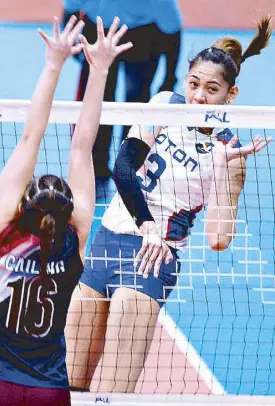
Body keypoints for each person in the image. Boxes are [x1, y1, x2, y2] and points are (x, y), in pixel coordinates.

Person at [65, 17, 272, 393]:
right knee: (67, 388)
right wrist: (146, 224)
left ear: (231, 95)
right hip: (108, 243)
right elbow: (123, 170)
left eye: (212, 89)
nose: (198, 97)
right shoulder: (164, 105)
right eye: (194, 84)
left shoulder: (230, 151)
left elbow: (218, 238)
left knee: (109, 398)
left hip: (152, 261)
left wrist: (226, 175)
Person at [0, 14, 132, 406]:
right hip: (49, 390)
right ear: (69, 211)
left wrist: (54, 64)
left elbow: (30, 136)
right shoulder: (75, 238)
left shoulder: (6, 232)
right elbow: (84, 144)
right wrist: (100, 70)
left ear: (23, 203)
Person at [62, 0, 183, 178]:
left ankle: (129, 163)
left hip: (142, 36)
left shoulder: (159, 3)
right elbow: (70, 12)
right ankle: (94, 162)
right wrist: (73, 46)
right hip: (98, 31)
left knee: (137, 99)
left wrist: (170, 78)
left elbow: (173, 33)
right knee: (96, 99)